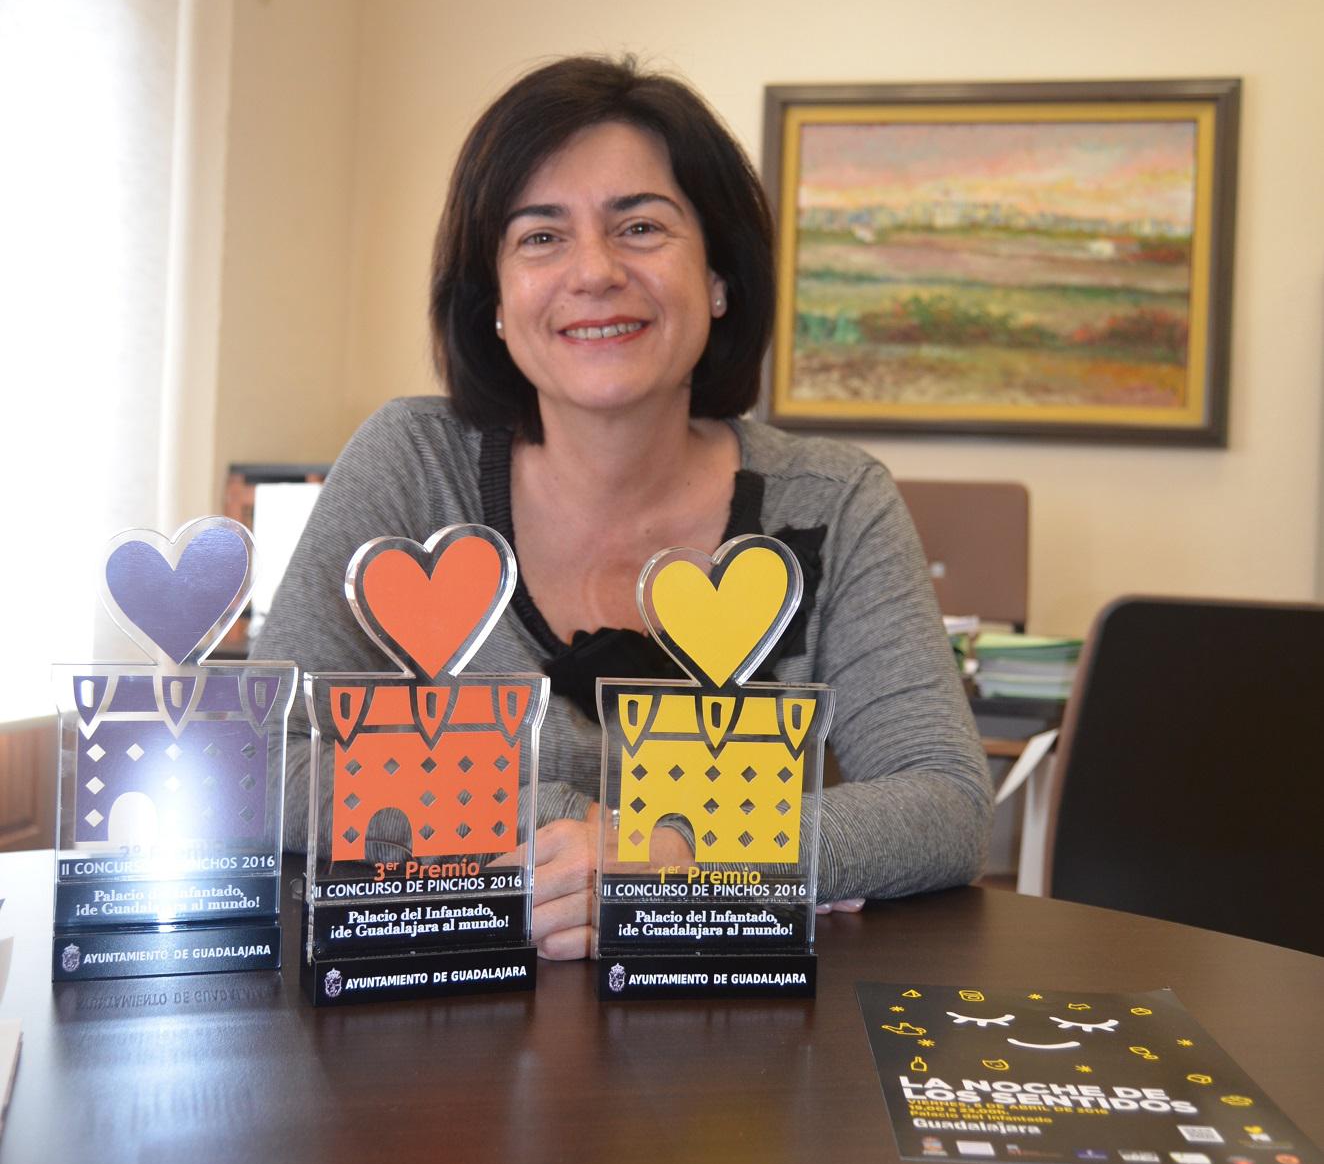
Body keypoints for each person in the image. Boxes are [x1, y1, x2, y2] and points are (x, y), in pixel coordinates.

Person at [254, 56, 992, 957]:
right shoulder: (412, 463)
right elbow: (263, 759)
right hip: (448, 1009)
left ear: (718, 278)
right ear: (494, 300)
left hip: (726, 1021)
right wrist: (561, 828)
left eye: (640, 227)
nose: (595, 272)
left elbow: (946, 801)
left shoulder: (834, 502)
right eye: (540, 237)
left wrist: (669, 854)